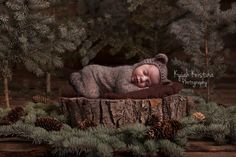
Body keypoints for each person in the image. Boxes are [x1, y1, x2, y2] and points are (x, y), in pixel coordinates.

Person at [69, 53, 172, 98]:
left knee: (96, 93)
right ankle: (75, 78)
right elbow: (121, 89)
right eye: (145, 73)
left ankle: (86, 82)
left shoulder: (133, 78)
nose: (142, 79)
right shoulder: (127, 71)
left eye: (147, 82)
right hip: (92, 73)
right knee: (91, 95)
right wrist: (142, 90)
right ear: (141, 64)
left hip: (100, 84)